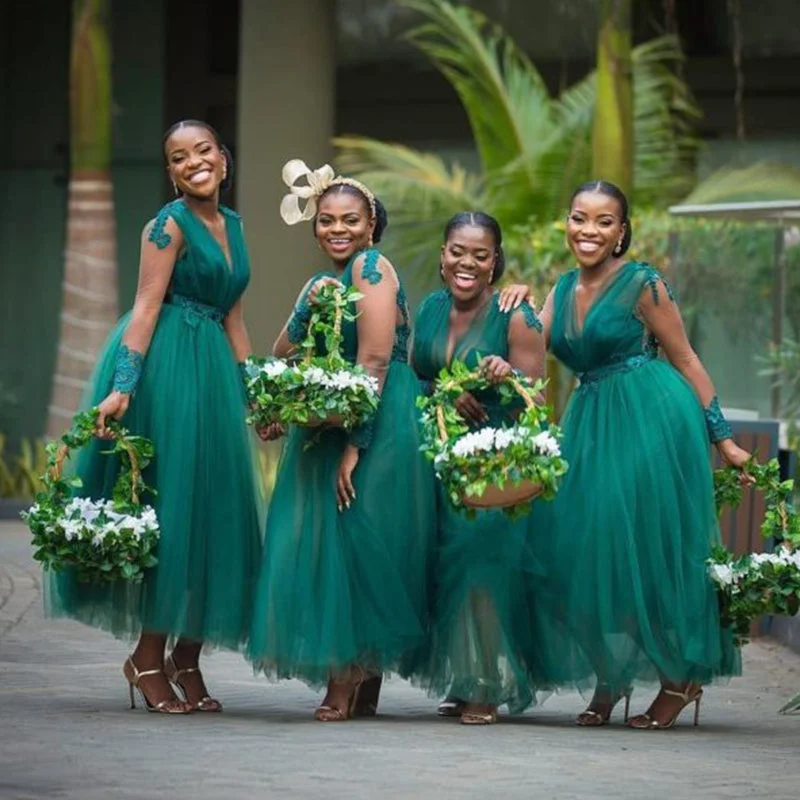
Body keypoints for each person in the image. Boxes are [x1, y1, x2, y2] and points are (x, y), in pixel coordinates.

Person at [45, 120, 264, 714]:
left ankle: (186, 659)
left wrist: (256, 396)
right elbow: (144, 307)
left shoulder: (236, 226)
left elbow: (235, 320)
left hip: (214, 374)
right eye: (178, 157)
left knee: (214, 513)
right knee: (174, 512)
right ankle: (146, 656)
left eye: (202, 150)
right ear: (170, 172)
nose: (193, 162)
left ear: (223, 157)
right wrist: (122, 388)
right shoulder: (167, 225)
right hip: (170, 372)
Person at [532, 180, 749, 729]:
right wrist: (511, 295)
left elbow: (686, 358)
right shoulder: (558, 289)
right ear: (567, 222)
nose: (590, 230)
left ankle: (681, 678)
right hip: (590, 420)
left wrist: (721, 436)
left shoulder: (641, 283)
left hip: (651, 417)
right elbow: (528, 354)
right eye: (580, 217)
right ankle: (612, 672)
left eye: (605, 221)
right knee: (589, 544)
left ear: (621, 232)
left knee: (645, 544)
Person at [246, 160, 440, 721]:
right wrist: (309, 306)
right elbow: (284, 351)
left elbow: (376, 357)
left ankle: (345, 681)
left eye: (350, 219)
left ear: (371, 224)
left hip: (380, 421)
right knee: (338, 542)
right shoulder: (324, 281)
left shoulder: (373, 269)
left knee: (358, 542)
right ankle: (362, 680)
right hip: (331, 424)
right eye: (326, 219)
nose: (337, 229)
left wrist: (357, 440)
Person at [411, 212, 547, 725]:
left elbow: (537, 395)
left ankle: (488, 684)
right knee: (448, 569)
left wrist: (505, 374)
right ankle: (463, 678)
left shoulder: (516, 314)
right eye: (457, 251)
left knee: (482, 567)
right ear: (443, 256)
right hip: (433, 452)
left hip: (491, 461)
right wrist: (444, 391)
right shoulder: (428, 308)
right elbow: (415, 375)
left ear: (495, 263)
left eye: (480, 254)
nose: (466, 262)